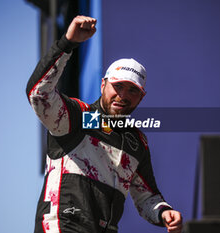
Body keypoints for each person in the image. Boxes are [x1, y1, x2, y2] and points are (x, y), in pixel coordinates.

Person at [26, 15, 183, 233]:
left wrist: (164, 212)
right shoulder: (77, 117)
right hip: (63, 226)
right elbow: (39, 94)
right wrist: (67, 43)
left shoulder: (136, 142)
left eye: (132, 90)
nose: (123, 96)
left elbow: (147, 195)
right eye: (117, 86)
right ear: (103, 85)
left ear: (141, 97)